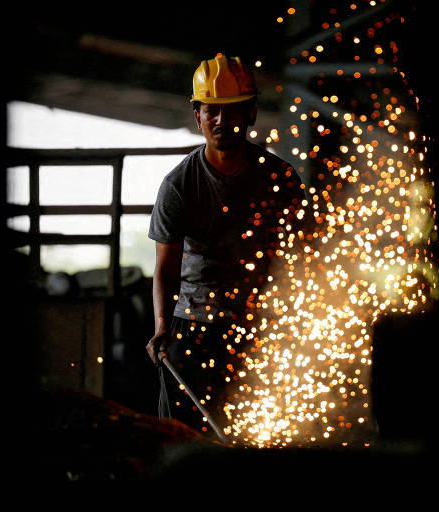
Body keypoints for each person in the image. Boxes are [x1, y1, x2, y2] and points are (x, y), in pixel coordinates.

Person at [145, 54, 304, 437]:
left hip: (261, 330)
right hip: (193, 329)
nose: (221, 121)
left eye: (232, 111)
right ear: (197, 114)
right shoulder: (180, 184)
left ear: (250, 113)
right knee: (181, 439)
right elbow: (166, 269)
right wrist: (163, 327)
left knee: (262, 435)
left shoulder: (279, 178)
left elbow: (300, 260)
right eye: (211, 111)